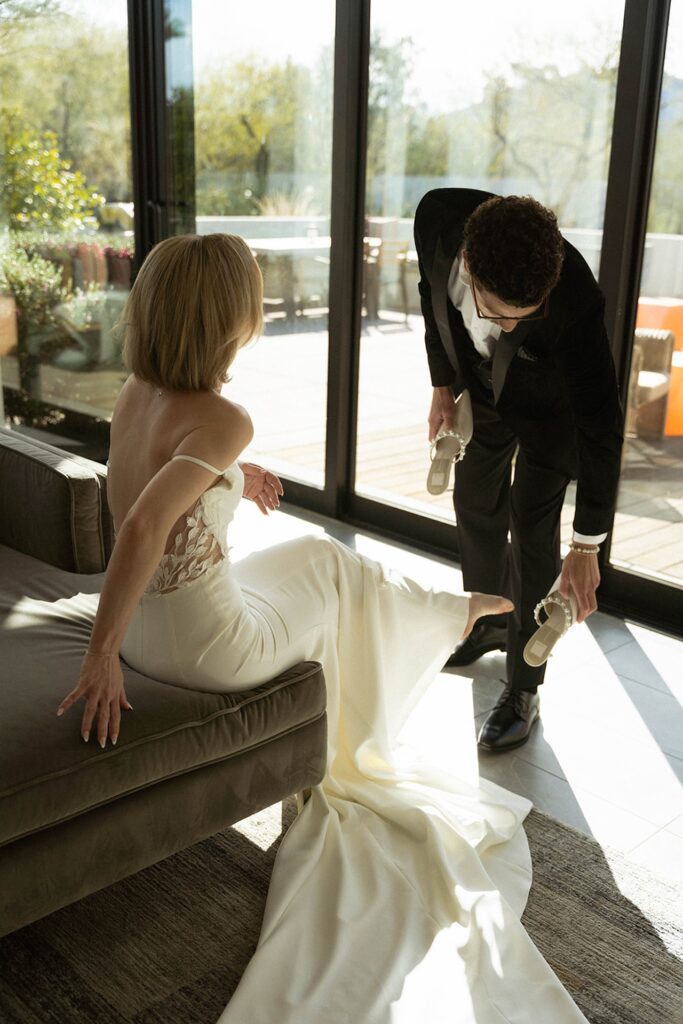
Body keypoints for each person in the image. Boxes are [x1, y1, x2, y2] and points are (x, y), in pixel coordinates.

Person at [57, 234, 590, 1023]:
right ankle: (451, 620)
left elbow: (156, 484)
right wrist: (97, 658)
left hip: (147, 628)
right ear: (227, 318)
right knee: (340, 574)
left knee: (316, 555)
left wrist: (236, 478)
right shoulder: (224, 418)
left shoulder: (136, 390)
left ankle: (448, 615)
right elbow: (140, 526)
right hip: (208, 649)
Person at [414, 189, 624, 753]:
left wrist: (587, 548)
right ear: (467, 266)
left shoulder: (575, 299)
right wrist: (443, 384)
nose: (509, 327)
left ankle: (524, 687)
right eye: (499, 314)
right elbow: (430, 299)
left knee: (532, 534)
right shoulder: (436, 218)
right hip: (480, 389)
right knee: (474, 501)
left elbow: (602, 426)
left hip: (548, 413)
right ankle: (486, 619)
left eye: (520, 320)